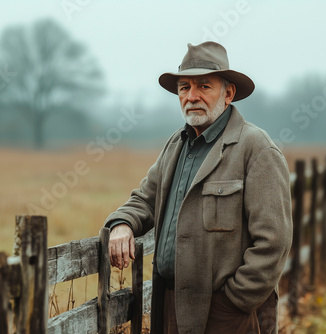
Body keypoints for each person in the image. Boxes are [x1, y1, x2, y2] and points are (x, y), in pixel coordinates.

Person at [104, 41, 293, 334]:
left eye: (204, 86)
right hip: (169, 305)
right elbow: (144, 198)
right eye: (184, 88)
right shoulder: (176, 145)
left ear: (228, 93)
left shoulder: (256, 149)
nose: (192, 97)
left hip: (227, 314)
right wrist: (121, 224)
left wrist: (233, 302)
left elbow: (274, 242)